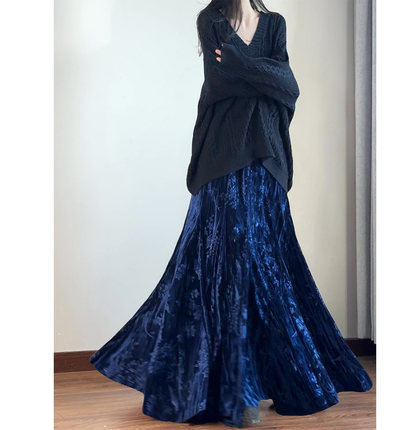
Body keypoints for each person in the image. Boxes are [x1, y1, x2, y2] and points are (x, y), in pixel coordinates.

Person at [90, 1, 373, 428]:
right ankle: (230, 389)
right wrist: (265, 74)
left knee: (267, 267)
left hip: (267, 159)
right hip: (221, 157)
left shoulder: (274, 24)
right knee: (219, 267)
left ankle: (262, 382)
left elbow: (290, 87)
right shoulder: (211, 21)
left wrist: (243, 62)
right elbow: (222, 83)